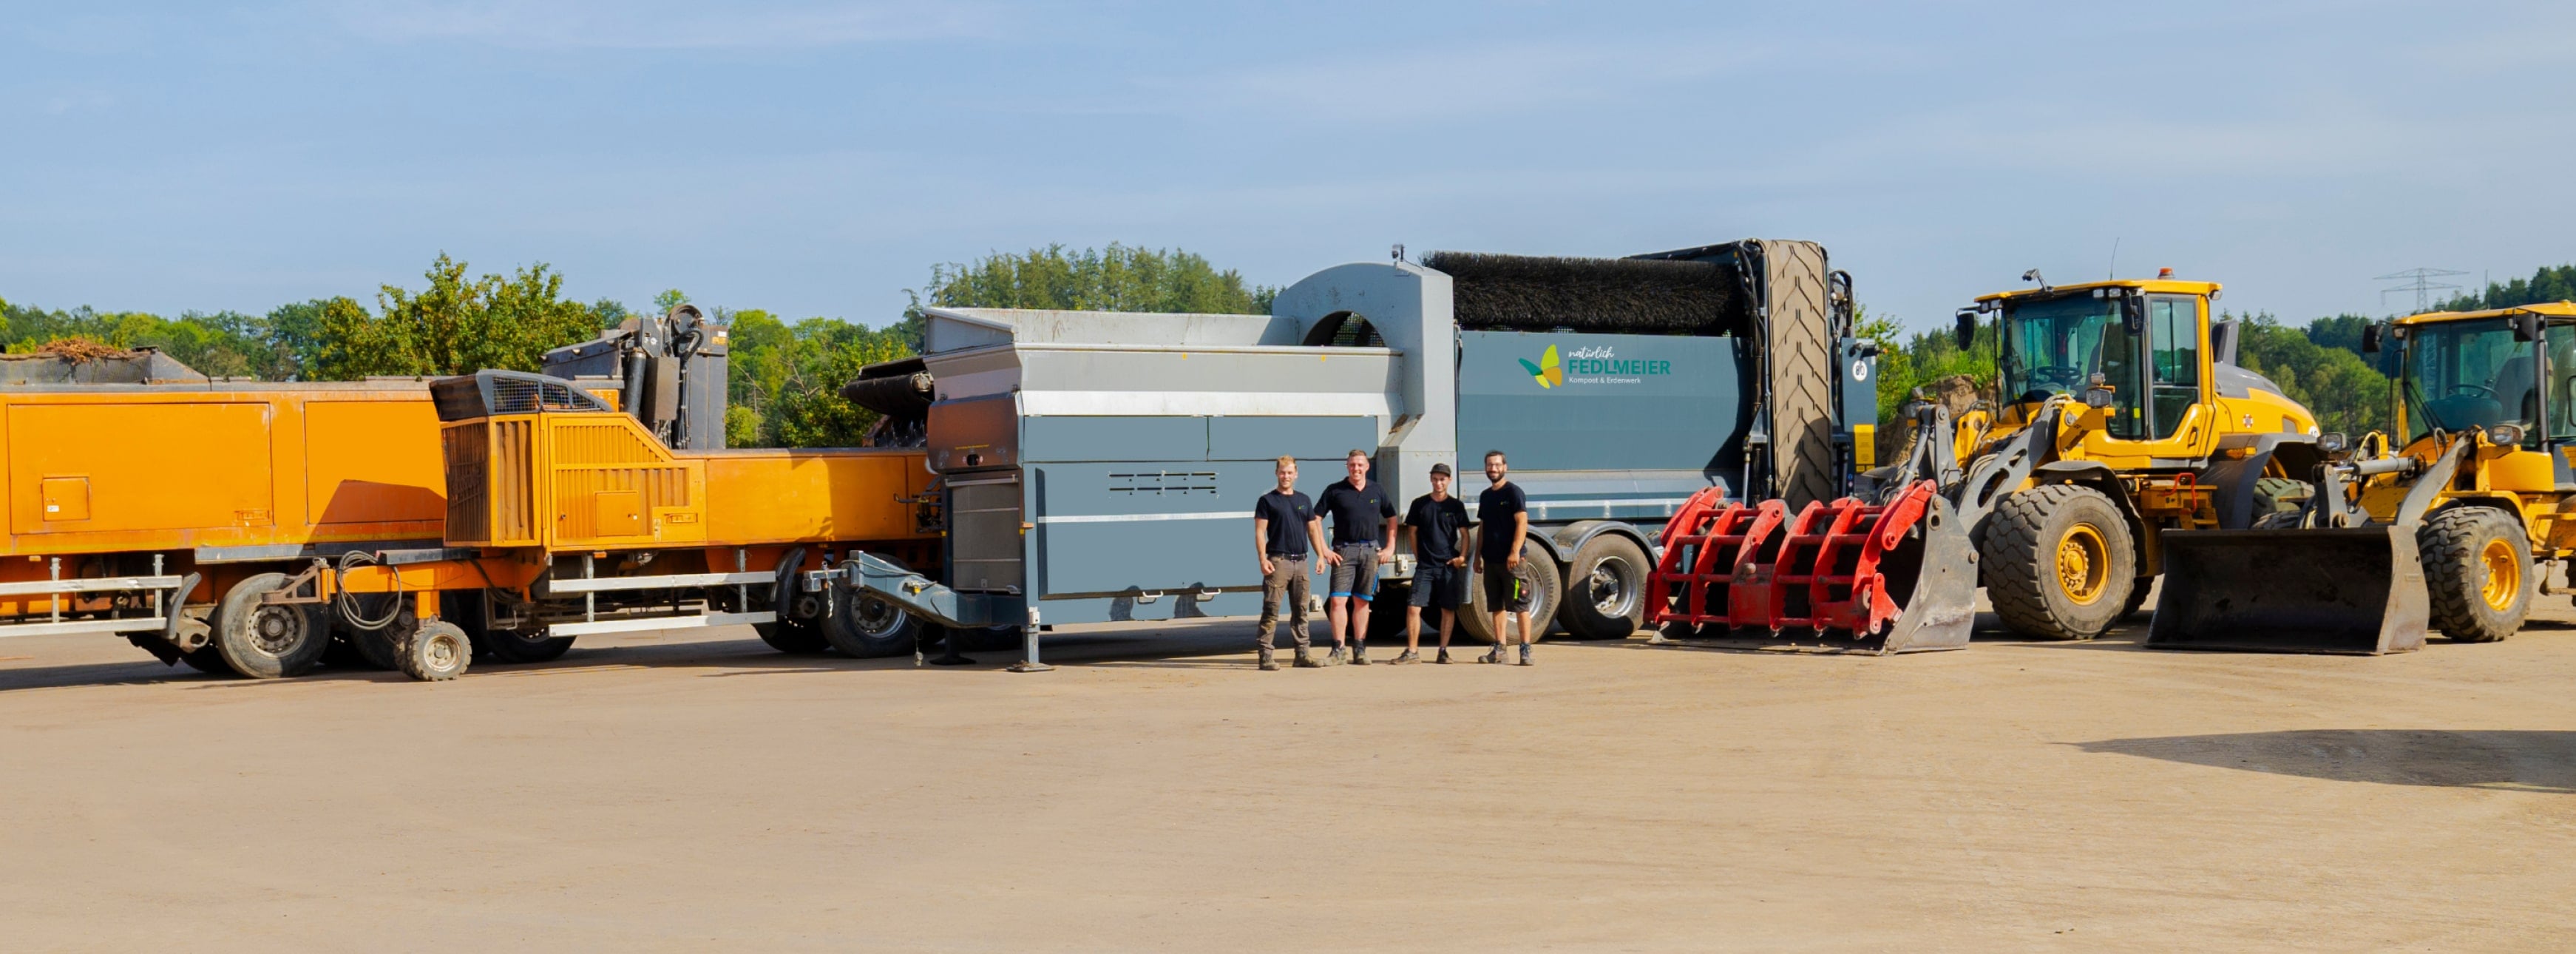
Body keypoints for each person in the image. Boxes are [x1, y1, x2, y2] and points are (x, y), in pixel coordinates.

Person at [1316, 449, 1399, 665]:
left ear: (1367, 467)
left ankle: (1360, 649)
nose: (1356, 469)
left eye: (1360, 465)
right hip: (1343, 551)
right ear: (1347, 466)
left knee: (1362, 601)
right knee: (1337, 600)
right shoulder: (1335, 491)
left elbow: (1392, 518)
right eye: (1352, 465)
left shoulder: (1377, 490)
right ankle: (1338, 649)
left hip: (1370, 551)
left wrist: (1390, 547)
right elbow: (1314, 519)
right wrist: (1323, 550)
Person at [1251, 456, 1329, 670]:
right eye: (1282, 472)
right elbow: (1260, 532)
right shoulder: (1267, 501)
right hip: (1278, 561)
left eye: (1290, 473)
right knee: (1271, 609)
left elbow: (1313, 529)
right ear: (1277, 473)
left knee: (1301, 610)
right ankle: (1265, 655)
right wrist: (1263, 559)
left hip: (1301, 561)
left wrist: (1321, 555)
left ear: (1296, 474)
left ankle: (1302, 654)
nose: (1286, 476)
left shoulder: (1304, 499)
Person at [1397, 461, 1470, 664]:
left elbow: (1465, 534)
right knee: (1413, 607)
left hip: (1448, 565)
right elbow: (1412, 532)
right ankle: (1412, 651)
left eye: (1443, 479)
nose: (1439, 483)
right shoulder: (1420, 504)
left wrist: (1462, 557)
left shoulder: (1456, 506)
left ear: (1449, 480)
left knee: (1447, 609)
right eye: (1435, 479)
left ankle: (1443, 651)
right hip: (1425, 566)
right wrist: (1419, 556)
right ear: (1431, 479)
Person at [1473, 449, 1536, 666]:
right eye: (1490, 465)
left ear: (1505, 467)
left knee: (1520, 604)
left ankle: (1525, 649)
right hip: (1491, 561)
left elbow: (1522, 522)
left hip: (1513, 562)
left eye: (1497, 465)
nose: (1493, 469)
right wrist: (1477, 556)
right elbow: (1483, 527)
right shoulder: (1486, 496)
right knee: (1496, 605)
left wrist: (1515, 551)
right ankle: (1499, 649)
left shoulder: (1513, 493)